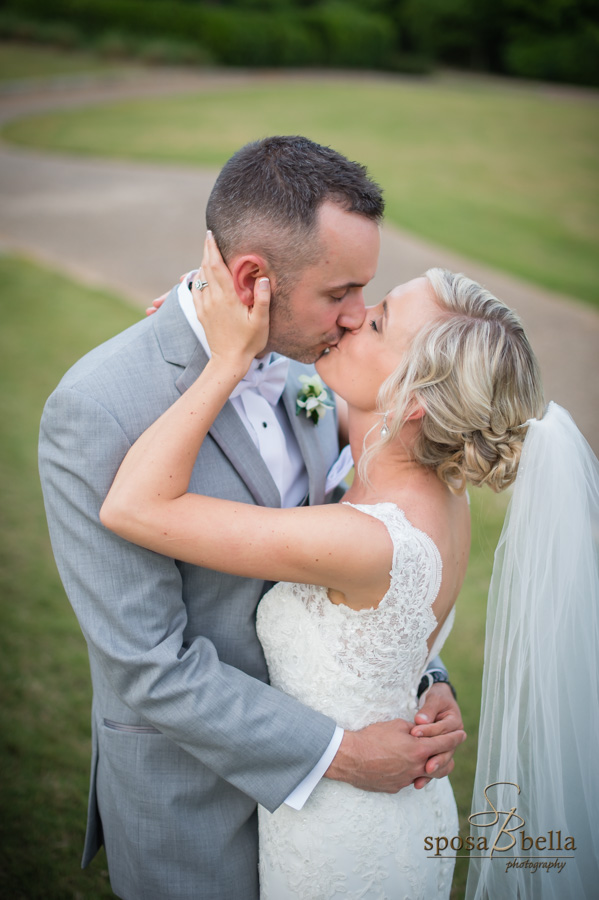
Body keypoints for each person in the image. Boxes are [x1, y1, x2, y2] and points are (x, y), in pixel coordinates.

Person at [39, 136, 465, 900]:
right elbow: (147, 666)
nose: (356, 315)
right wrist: (339, 753)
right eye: (340, 292)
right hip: (191, 799)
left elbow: (358, 561)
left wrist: (419, 673)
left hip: (333, 817)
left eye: (365, 293)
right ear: (251, 281)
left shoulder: (314, 373)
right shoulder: (99, 408)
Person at [100, 228, 544, 897]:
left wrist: (221, 362)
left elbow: (133, 507)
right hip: (402, 808)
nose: (352, 316)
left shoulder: (361, 540)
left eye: (379, 321)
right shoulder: (439, 483)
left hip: (338, 834)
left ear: (413, 399)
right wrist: (195, 319)